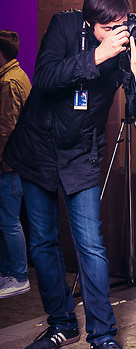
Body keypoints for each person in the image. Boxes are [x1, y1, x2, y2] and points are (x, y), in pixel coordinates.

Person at [3, 0, 136, 349]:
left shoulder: (126, 48)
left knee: (91, 246)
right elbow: (45, 77)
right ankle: (62, 324)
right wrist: (97, 56)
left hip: (81, 155)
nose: (117, 34)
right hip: (38, 149)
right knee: (43, 243)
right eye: (108, 28)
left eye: (122, 25)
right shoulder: (64, 25)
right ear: (89, 23)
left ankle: (102, 336)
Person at [0, 30, 32, 299]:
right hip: (17, 161)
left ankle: (19, 276)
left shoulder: (8, 82)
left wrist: (3, 161)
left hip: (9, 164)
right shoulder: (18, 75)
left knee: (9, 222)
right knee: (7, 221)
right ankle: (9, 274)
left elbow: (5, 130)